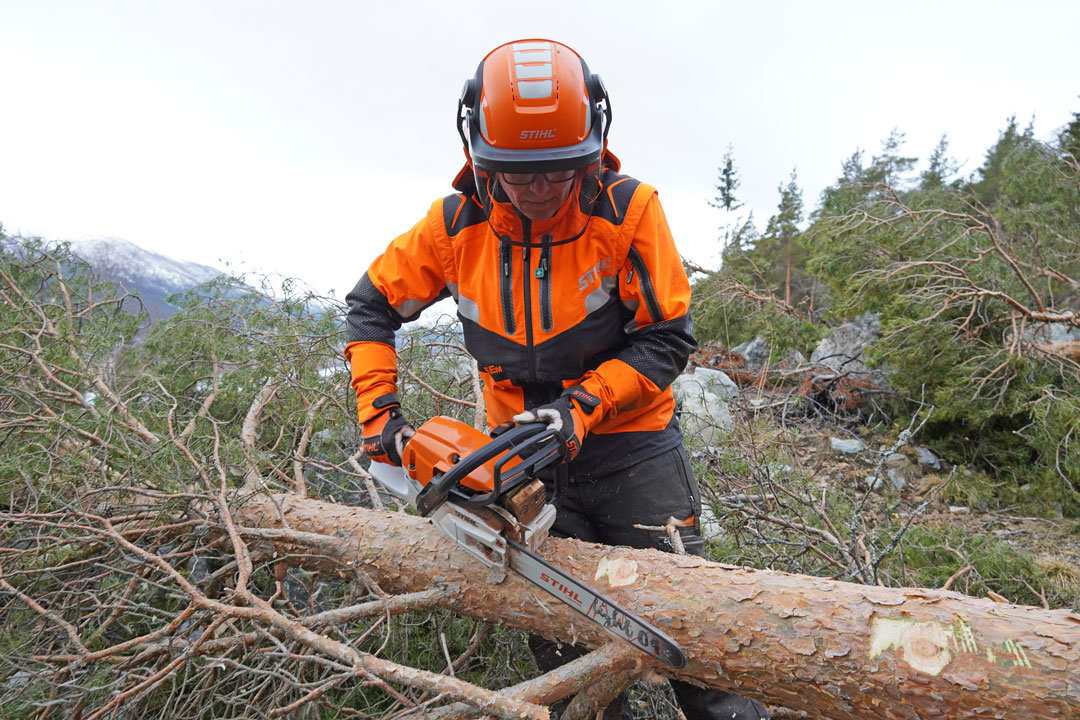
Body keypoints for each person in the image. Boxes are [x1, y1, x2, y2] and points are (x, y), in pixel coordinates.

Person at [345, 39, 768, 720]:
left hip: (634, 445)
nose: (539, 188)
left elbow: (668, 338)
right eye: (518, 173)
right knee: (566, 658)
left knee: (696, 641)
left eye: (557, 171)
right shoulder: (455, 225)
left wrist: (583, 406)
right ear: (481, 154)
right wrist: (381, 422)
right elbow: (369, 307)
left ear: (589, 151)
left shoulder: (627, 212)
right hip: (520, 456)